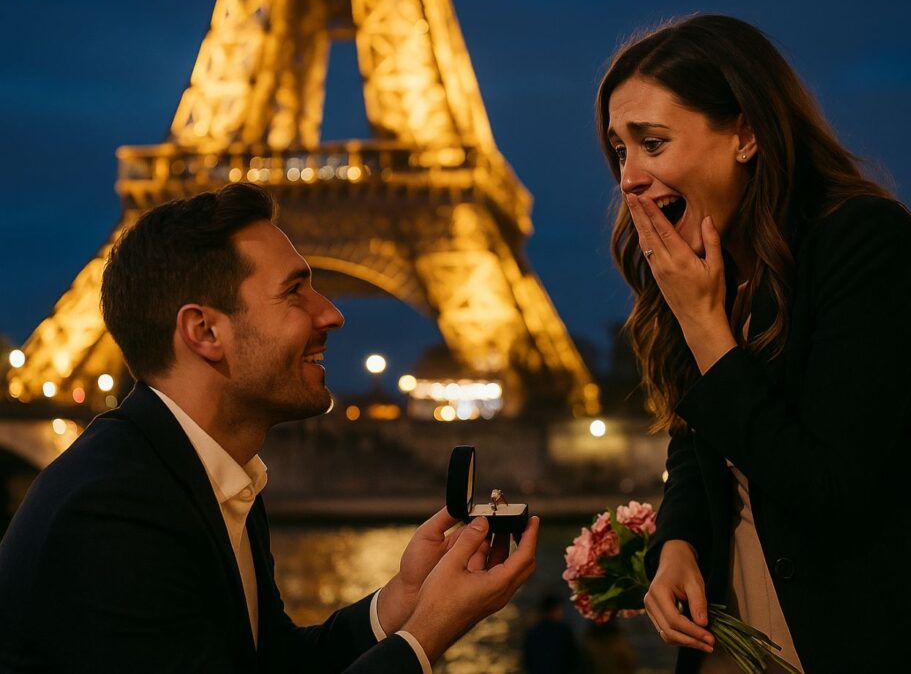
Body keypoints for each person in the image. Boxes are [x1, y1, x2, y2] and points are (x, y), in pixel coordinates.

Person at [597, 14, 911, 674]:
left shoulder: (864, 242)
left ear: (747, 133)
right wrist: (676, 544)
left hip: (867, 641)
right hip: (734, 645)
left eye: (653, 142)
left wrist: (704, 326)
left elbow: (831, 488)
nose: (629, 177)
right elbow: (699, 447)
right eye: (620, 150)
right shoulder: (710, 265)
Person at [0, 183, 539, 672]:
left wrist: (403, 600)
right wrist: (427, 635)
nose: (331, 313)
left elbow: (269, 664)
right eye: (295, 292)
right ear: (204, 330)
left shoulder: (208, 477)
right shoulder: (113, 509)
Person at [521, 593, 583, 674]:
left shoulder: (533, 632)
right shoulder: (563, 631)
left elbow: (528, 660)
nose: (561, 613)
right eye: (559, 609)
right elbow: (573, 658)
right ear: (554, 610)